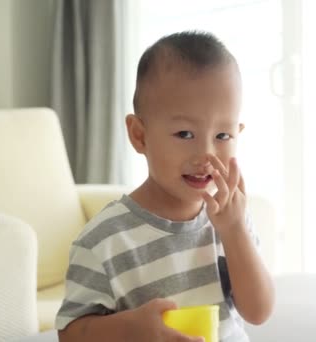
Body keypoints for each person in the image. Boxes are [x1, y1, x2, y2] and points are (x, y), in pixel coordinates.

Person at [56, 30, 274, 342]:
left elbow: (259, 311)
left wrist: (235, 231)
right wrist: (130, 329)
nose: (206, 155)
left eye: (222, 136)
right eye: (185, 134)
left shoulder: (232, 221)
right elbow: (71, 333)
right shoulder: (102, 241)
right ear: (139, 136)